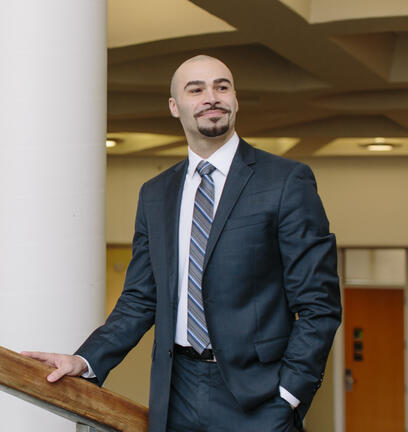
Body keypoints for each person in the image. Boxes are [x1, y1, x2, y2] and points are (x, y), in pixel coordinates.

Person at [23, 55, 341, 432]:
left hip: (260, 397)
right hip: (177, 394)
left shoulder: (286, 181)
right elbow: (140, 298)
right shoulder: (156, 194)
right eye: (197, 89)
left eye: (222, 86)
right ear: (175, 107)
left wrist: (290, 392)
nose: (212, 97)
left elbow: (319, 303)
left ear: (235, 99)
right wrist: (86, 360)